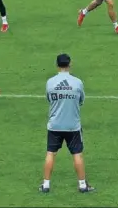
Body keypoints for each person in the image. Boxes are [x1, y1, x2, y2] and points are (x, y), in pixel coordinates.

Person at [40, 54, 94, 194]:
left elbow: (49, 99)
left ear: (57, 65)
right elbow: (81, 101)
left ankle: (46, 185)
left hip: (54, 125)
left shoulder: (50, 82)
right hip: (72, 126)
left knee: (50, 153)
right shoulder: (77, 82)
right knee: (77, 154)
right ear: (69, 64)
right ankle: (82, 185)